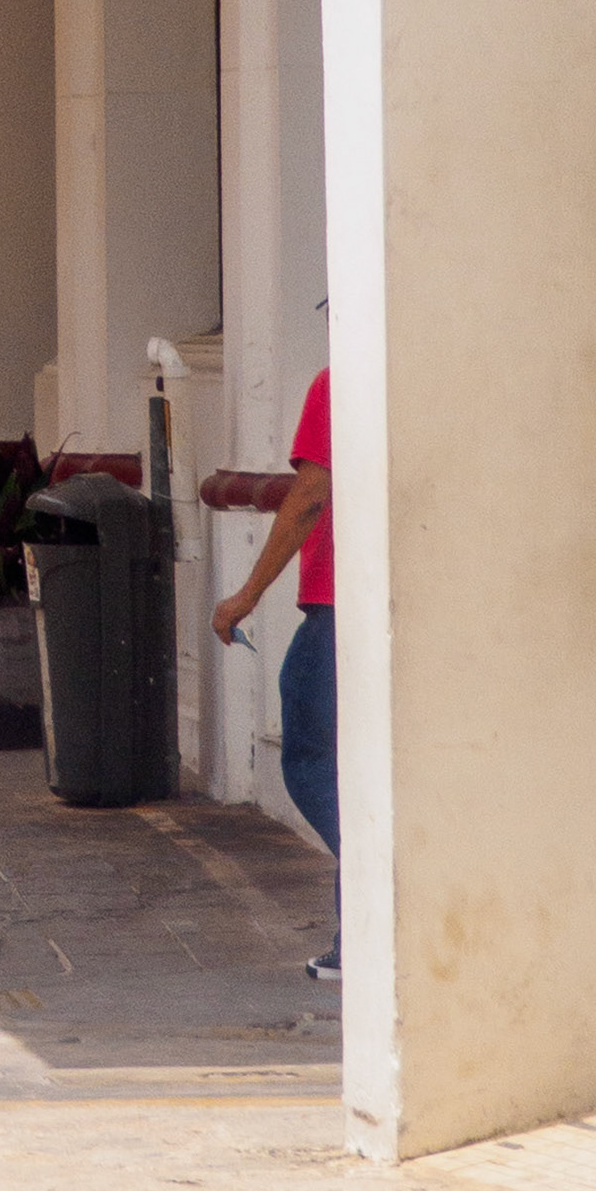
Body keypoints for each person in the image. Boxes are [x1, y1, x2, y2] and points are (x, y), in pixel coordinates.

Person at [213, 357, 340, 981]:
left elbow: (312, 494)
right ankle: (359, 938)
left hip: (338, 604)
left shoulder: (339, 379)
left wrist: (248, 593)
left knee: (313, 760)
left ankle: (380, 910)